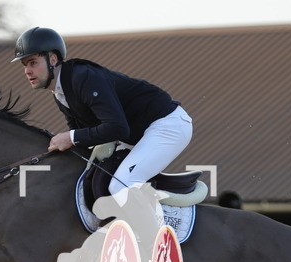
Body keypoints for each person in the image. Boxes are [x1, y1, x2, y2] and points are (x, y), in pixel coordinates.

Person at [14, 26, 193, 198]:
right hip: (138, 134)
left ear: (52, 60)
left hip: (167, 125)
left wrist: (69, 137)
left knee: (121, 184)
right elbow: (84, 138)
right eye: (24, 65)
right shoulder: (61, 92)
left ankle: (156, 229)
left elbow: (117, 128)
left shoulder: (83, 77)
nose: (27, 71)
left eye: (33, 63)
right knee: (96, 179)